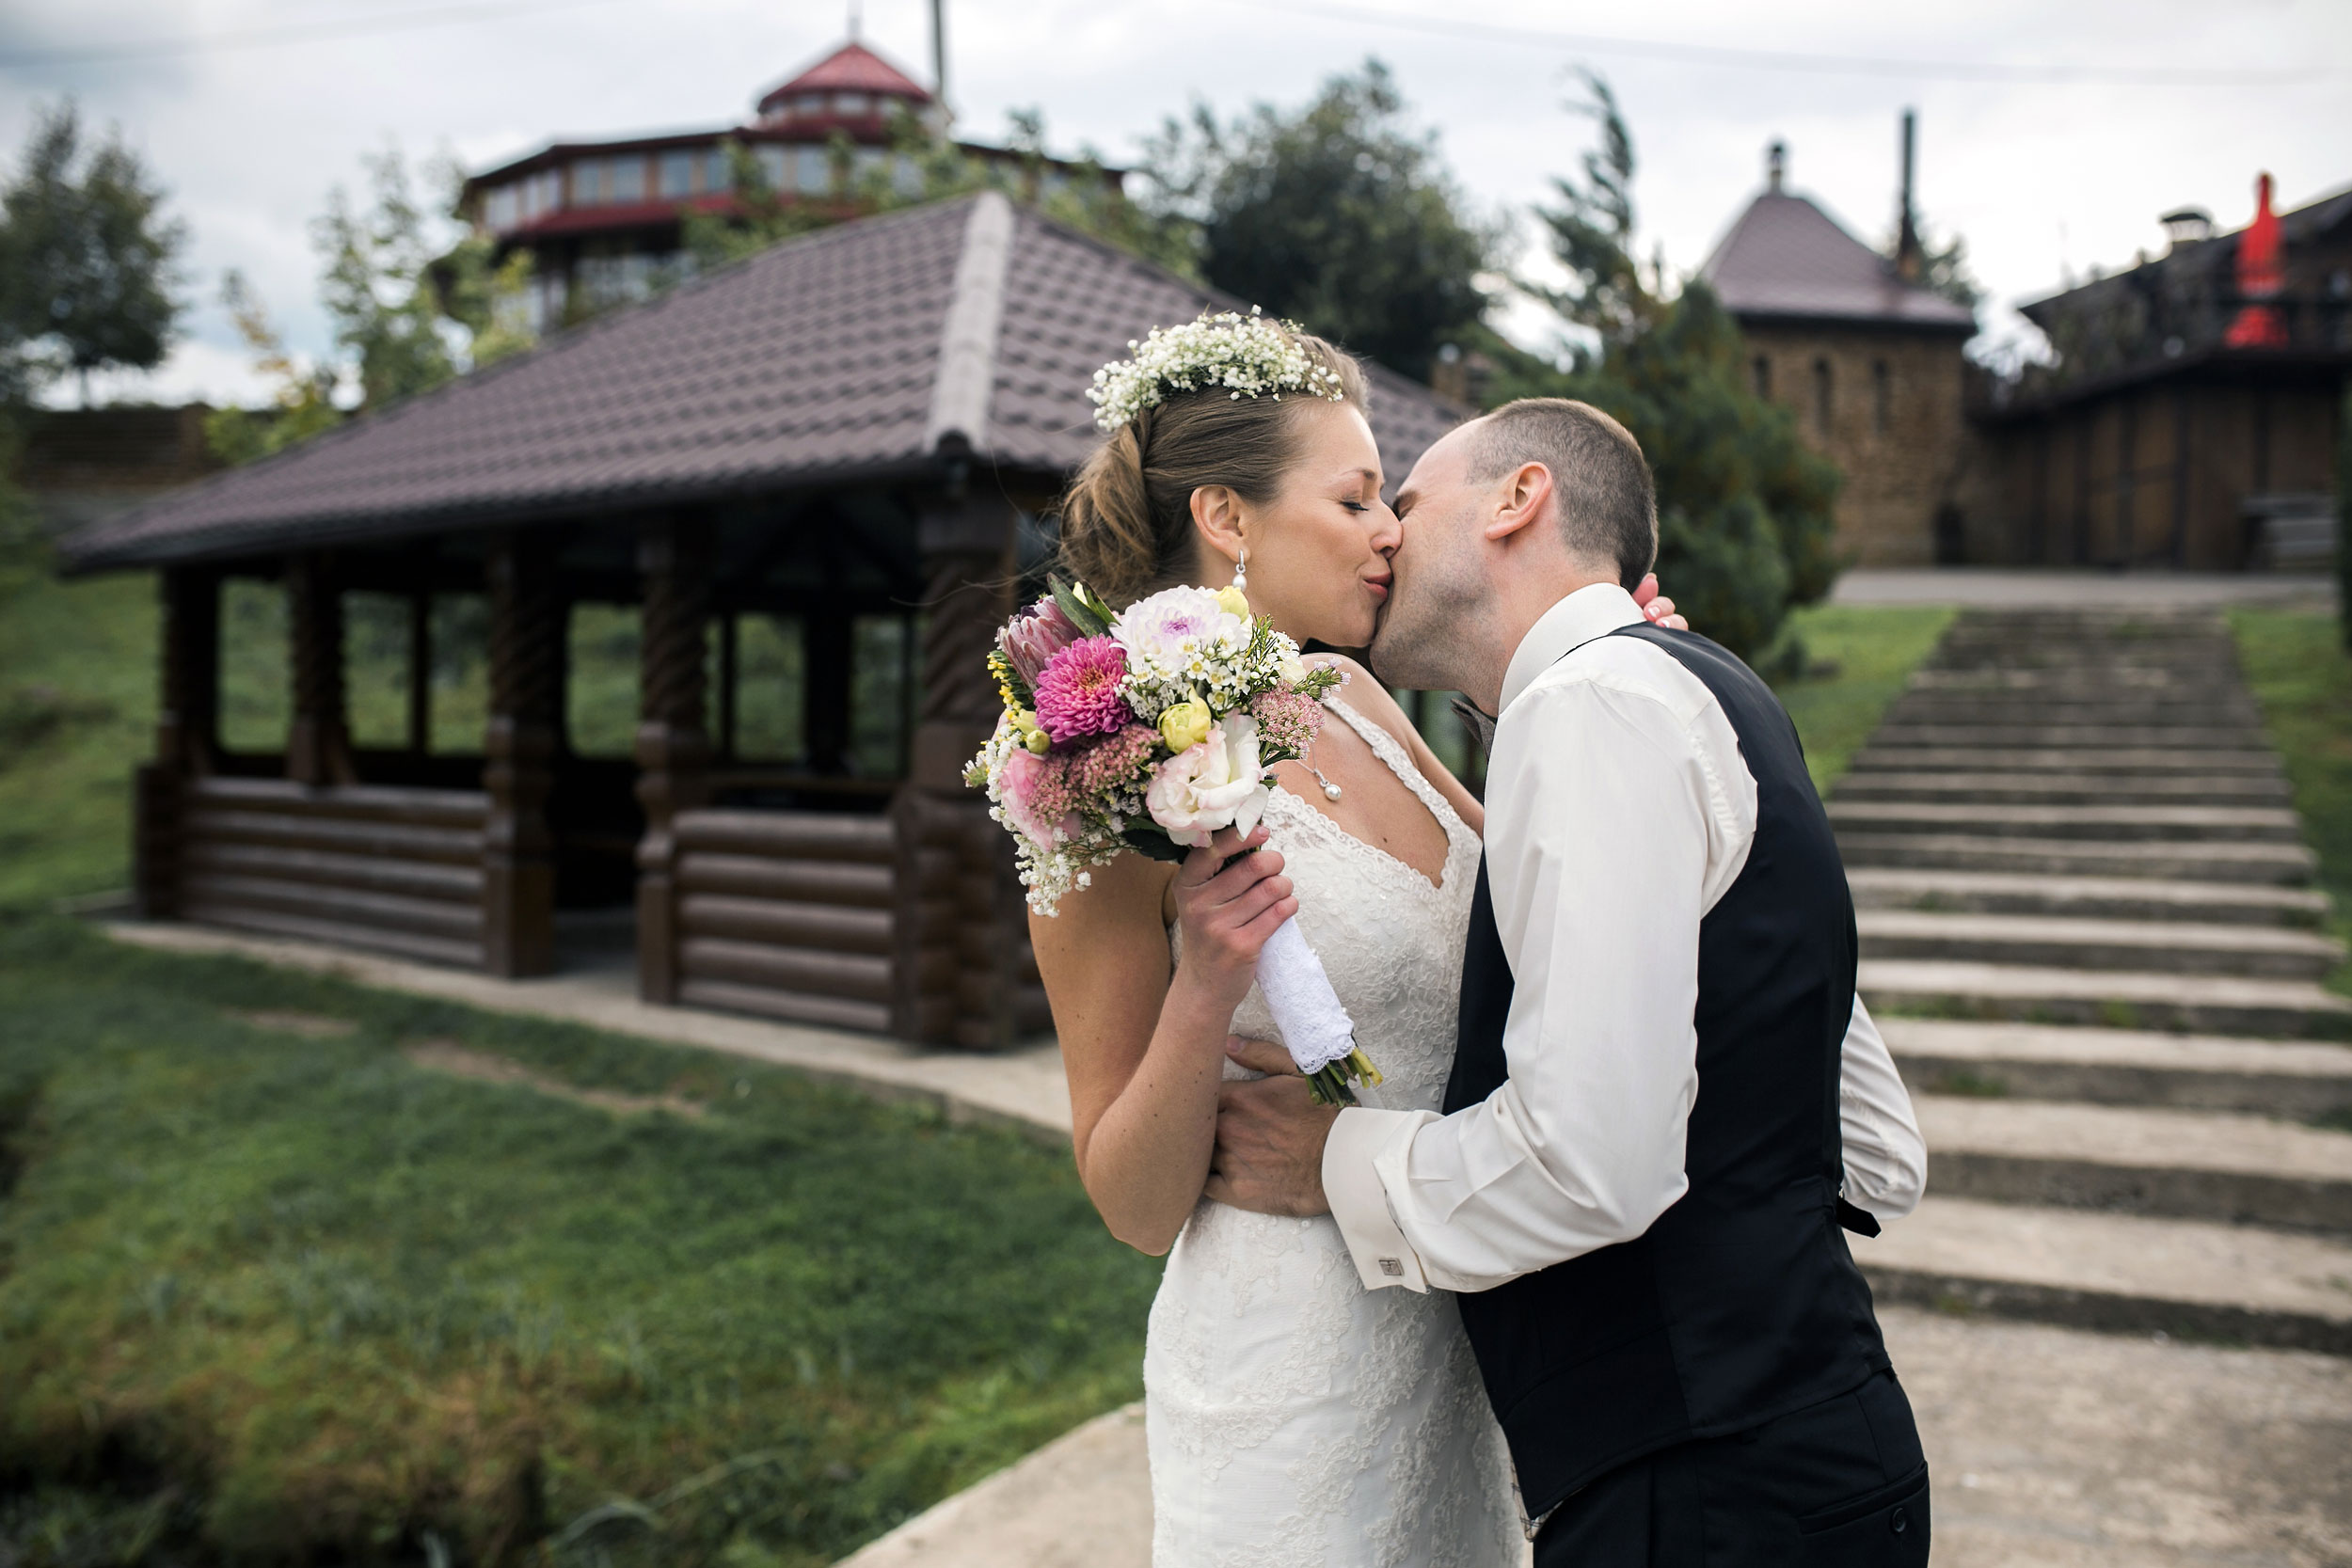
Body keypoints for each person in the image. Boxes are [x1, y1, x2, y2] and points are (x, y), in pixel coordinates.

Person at [1032, 311, 1924, 1567]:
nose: (1390, 529)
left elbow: (1557, 921)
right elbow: (1127, 1200)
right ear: (1230, 519)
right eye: (1356, 498)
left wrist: (1624, 708)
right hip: (1291, 1361)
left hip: (1473, 1328)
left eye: (1396, 497)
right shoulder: (1097, 772)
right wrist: (1208, 988)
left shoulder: (1363, 701)